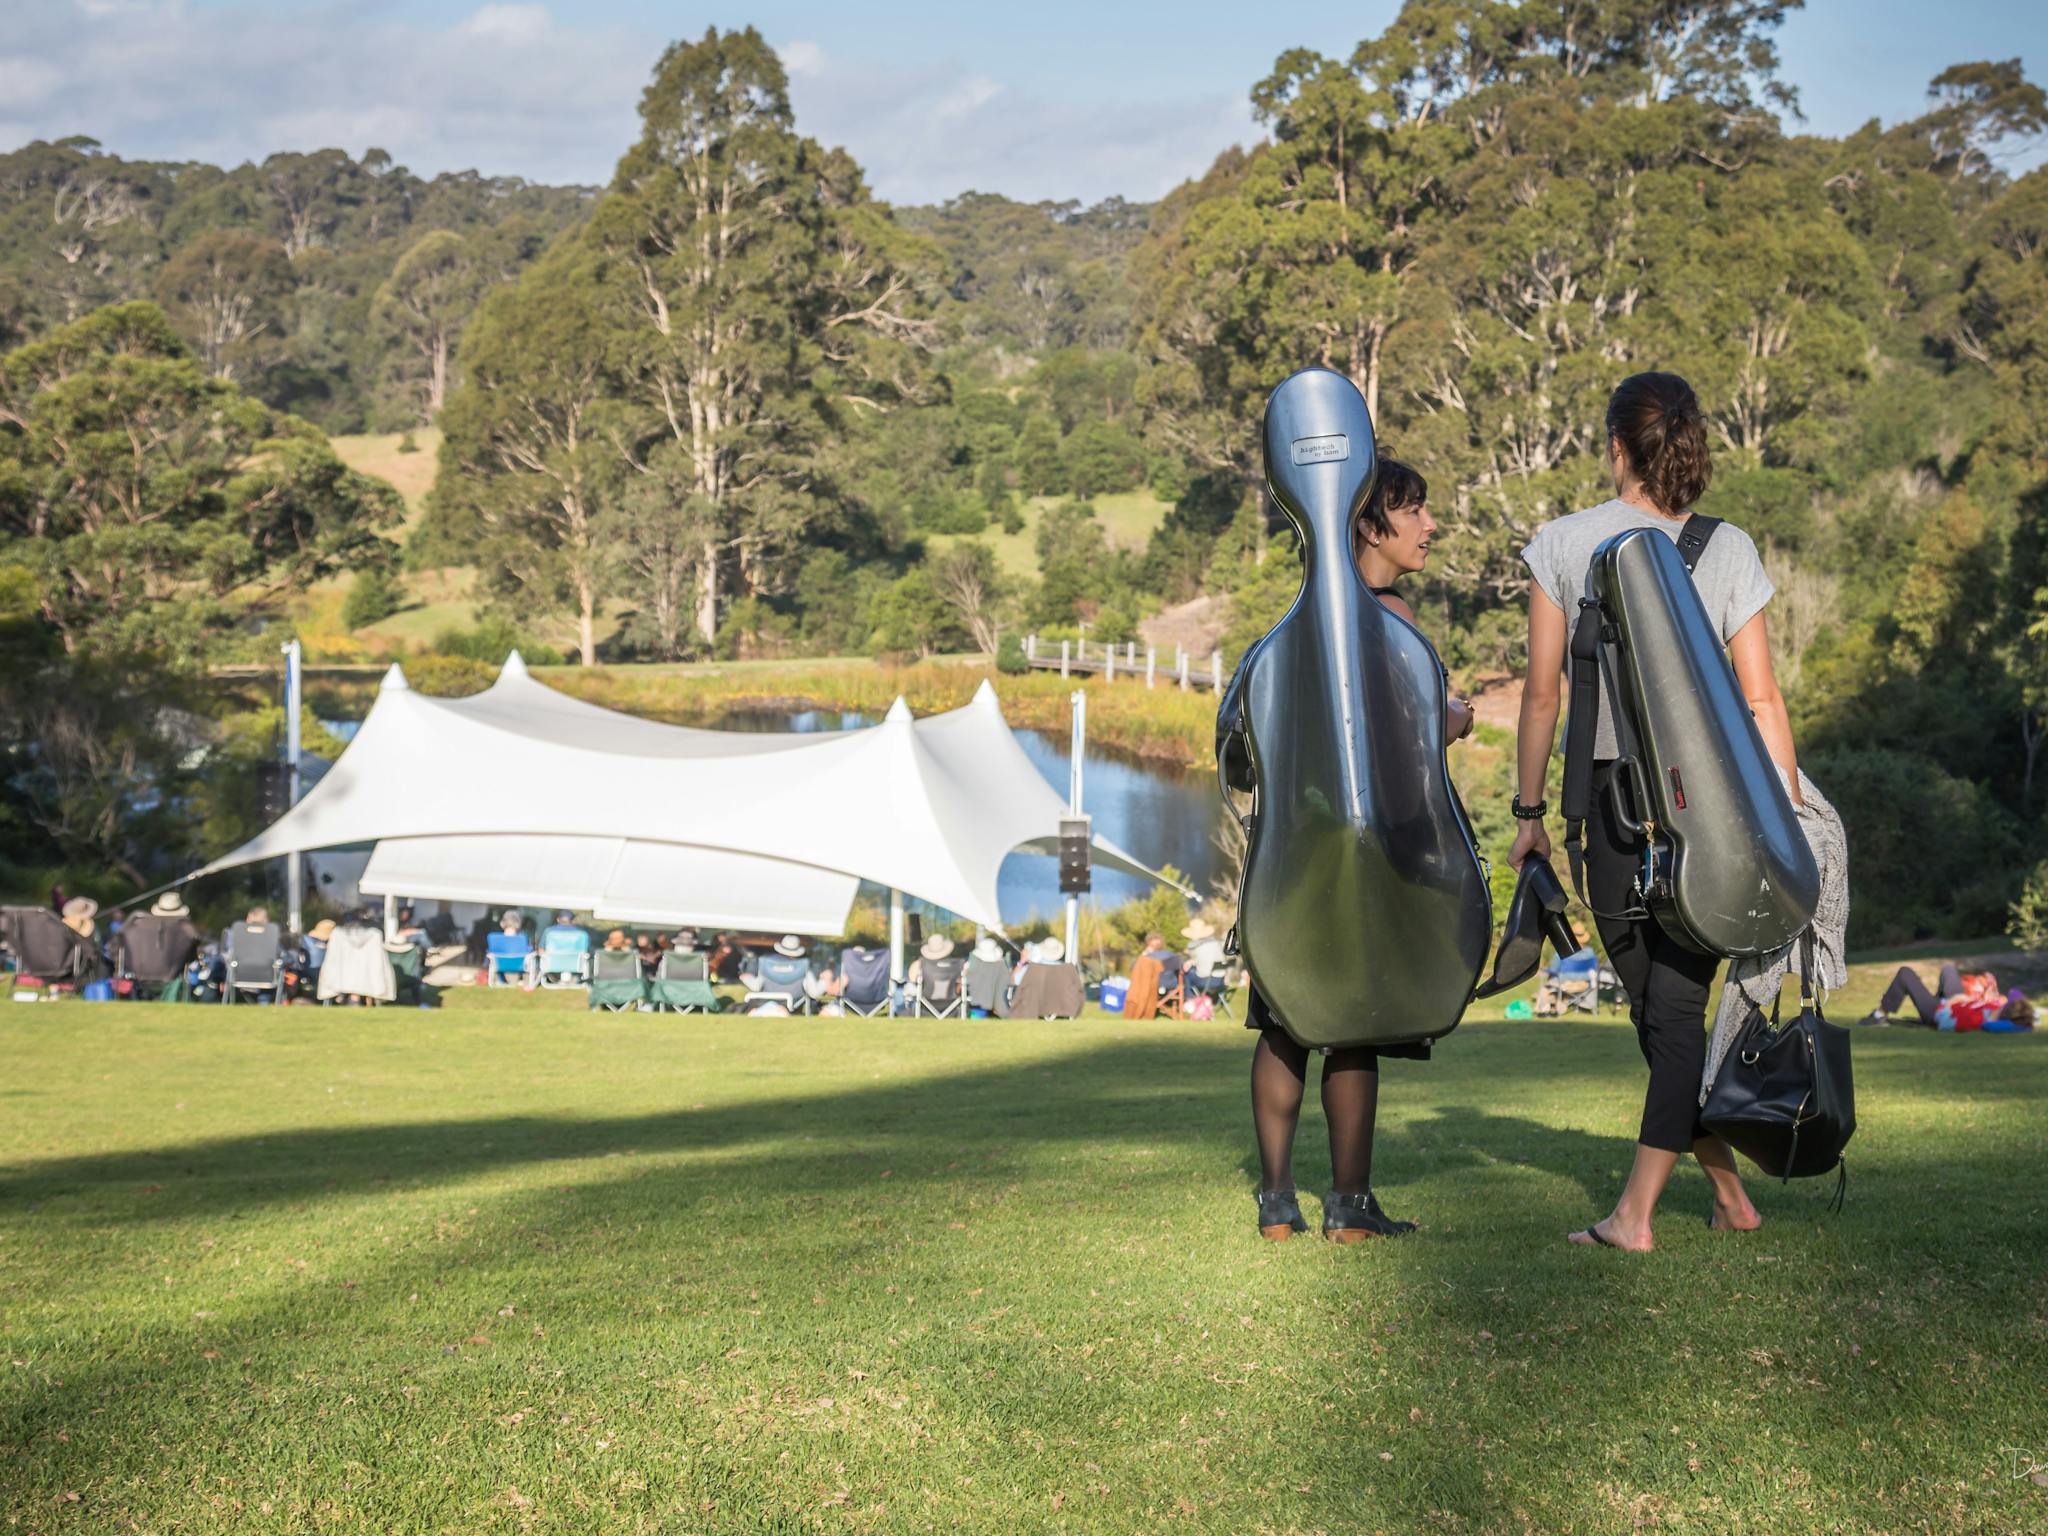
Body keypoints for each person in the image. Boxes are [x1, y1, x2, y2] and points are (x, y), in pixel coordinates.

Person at [1509, 371, 1794, 1252]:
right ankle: (1730, 1196)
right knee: (1657, 1013)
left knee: (1665, 1012)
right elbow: (1761, 703)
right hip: (1715, 811)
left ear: (1616, 447)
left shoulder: (1565, 541)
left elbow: (1544, 696)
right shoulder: (1727, 547)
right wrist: (1780, 825)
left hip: (1612, 814)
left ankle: (1634, 1219)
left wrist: (1529, 813)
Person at [1243, 457, 1468, 1244]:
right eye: (1415, 511)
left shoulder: (1300, 622)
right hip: (1376, 859)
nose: (1429, 526)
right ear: (1369, 523)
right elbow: (1400, 742)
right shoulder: (1390, 620)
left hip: (1297, 856)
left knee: (1283, 1015)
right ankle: (1348, 1207)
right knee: (1355, 1019)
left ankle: (1277, 1205)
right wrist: (1455, 720)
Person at [1861, 965, 2031, 1030]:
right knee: (1948, 970)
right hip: (1958, 1001)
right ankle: (1938, 996)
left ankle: (1879, 1014)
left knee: (1905, 973)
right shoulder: (1993, 1008)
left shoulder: (1976, 1020)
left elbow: (1945, 1022)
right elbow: (2016, 995)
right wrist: (1980, 999)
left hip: (1937, 1011)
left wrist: (1952, 1003)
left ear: (2003, 1012)